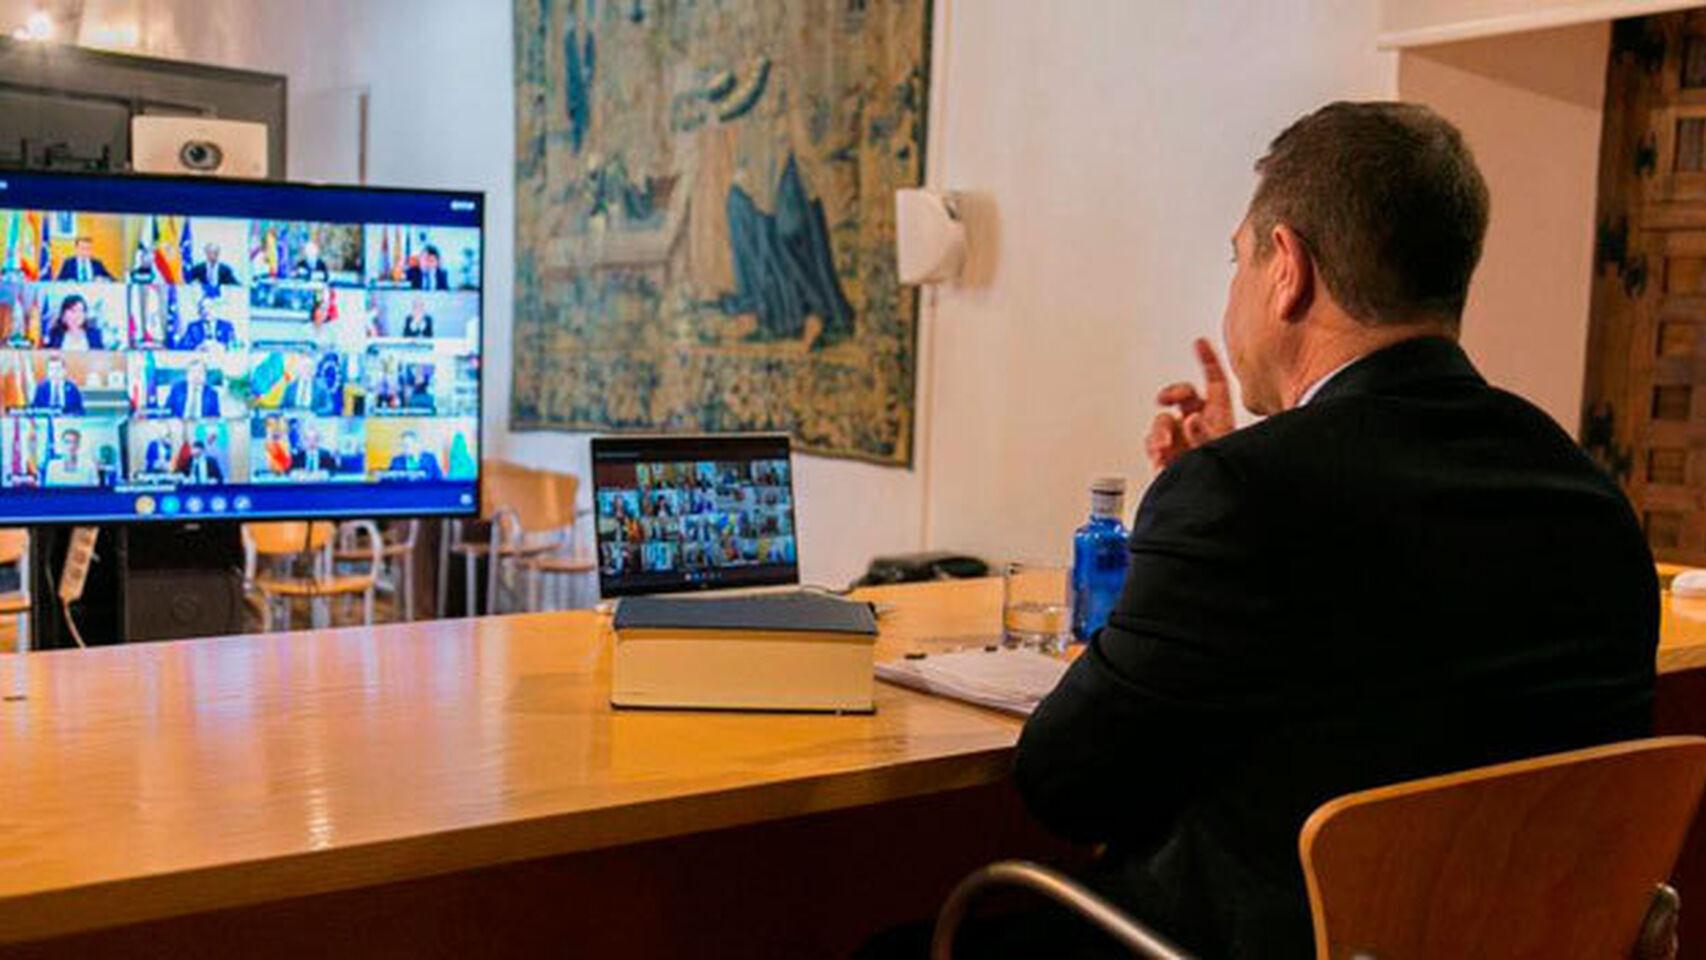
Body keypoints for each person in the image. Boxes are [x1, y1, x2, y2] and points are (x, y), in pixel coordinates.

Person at [873, 103, 1661, 960]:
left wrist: (1211, 509)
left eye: (1237, 259)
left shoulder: (1244, 500)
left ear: (1286, 268)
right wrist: (1220, 499)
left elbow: (1068, 786)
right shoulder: (1585, 495)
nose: (1236, 288)